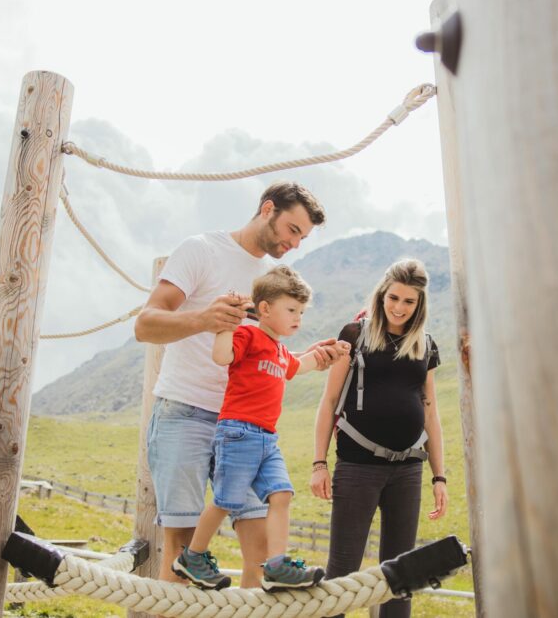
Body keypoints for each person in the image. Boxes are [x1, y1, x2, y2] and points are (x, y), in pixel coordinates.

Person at [135, 181, 343, 588]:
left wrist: (308, 359)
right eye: (293, 230)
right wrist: (204, 319)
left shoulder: (273, 278)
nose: (295, 243)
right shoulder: (201, 250)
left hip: (247, 427)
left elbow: (269, 358)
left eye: (302, 236)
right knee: (180, 553)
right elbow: (145, 325)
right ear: (268, 209)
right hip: (187, 412)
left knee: (263, 552)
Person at [173, 266, 351, 590]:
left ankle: (276, 565)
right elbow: (221, 355)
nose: (298, 317)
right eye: (292, 310)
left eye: (301, 311)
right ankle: (193, 557)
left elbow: (304, 364)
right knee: (226, 500)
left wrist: (333, 353)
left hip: (268, 439)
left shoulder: (282, 352)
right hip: (238, 432)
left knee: (281, 494)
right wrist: (228, 324)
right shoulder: (249, 335)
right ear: (265, 309)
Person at [309, 258, 447, 618]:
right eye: (394, 298)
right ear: (382, 294)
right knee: (342, 570)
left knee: (402, 576)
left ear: (419, 305)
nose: (399, 308)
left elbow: (430, 412)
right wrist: (319, 463)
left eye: (408, 302)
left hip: (408, 470)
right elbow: (328, 402)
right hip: (358, 467)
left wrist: (440, 476)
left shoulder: (425, 345)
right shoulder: (354, 335)